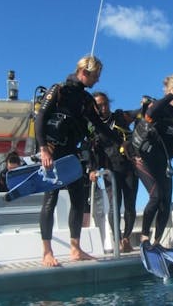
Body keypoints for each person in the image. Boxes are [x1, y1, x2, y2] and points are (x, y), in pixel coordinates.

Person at [34, 55, 120, 267]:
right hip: (52, 153)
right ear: (85, 72)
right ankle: (47, 252)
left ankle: (75, 249)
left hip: (72, 154)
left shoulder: (86, 100)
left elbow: (99, 127)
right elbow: (40, 118)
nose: (97, 81)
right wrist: (43, 150)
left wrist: (123, 142)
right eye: (96, 76)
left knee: (79, 200)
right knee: (50, 199)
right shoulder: (58, 90)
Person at [130, 74, 173, 247]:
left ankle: (157, 242)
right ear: (170, 91)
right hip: (143, 158)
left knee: (166, 201)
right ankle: (145, 239)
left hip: (163, 161)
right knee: (156, 196)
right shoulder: (159, 105)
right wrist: (171, 96)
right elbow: (150, 113)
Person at [90, 91, 139, 252]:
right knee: (114, 207)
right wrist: (92, 169)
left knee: (130, 206)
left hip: (129, 167)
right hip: (111, 171)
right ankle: (117, 238)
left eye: (105, 104)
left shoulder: (120, 117)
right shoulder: (93, 126)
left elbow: (137, 113)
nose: (103, 107)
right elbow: (90, 150)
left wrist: (146, 106)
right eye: (99, 105)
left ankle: (126, 238)